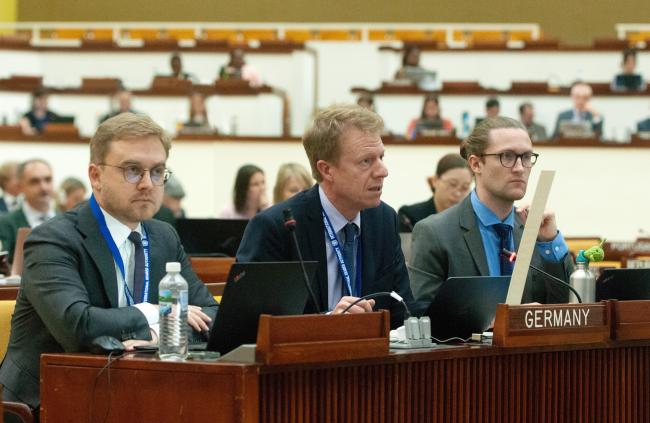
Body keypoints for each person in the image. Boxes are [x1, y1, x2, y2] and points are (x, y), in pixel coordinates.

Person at [0, 113, 218, 417]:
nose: (147, 183)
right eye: (132, 170)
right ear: (96, 176)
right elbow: (79, 328)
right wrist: (154, 313)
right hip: (45, 406)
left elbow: (212, 317)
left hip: (136, 396)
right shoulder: (53, 239)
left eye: (157, 171)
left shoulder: (163, 236)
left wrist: (153, 338)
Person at [236, 104, 414, 328]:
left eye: (381, 157)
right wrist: (328, 323)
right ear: (327, 170)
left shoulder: (383, 219)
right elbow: (251, 324)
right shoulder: (277, 228)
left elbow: (402, 307)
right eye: (366, 161)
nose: (382, 171)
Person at [409, 116, 573, 309]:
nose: (520, 168)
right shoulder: (435, 233)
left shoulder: (534, 230)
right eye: (507, 157)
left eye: (527, 157)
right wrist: (495, 321)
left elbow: (561, 308)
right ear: (476, 164)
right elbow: (424, 314)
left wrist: (549, 243)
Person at [398, 153, 471, 232]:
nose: (458, 193)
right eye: (452, 184)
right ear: (435, 181)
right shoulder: (410, 217)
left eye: (465, 187)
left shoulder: (472, 220)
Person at [0, 159, 55, 263]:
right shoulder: (5, 223)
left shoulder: (68, 219)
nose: (44, 187)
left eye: (48, 180)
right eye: (34, 182)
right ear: (20, 186)